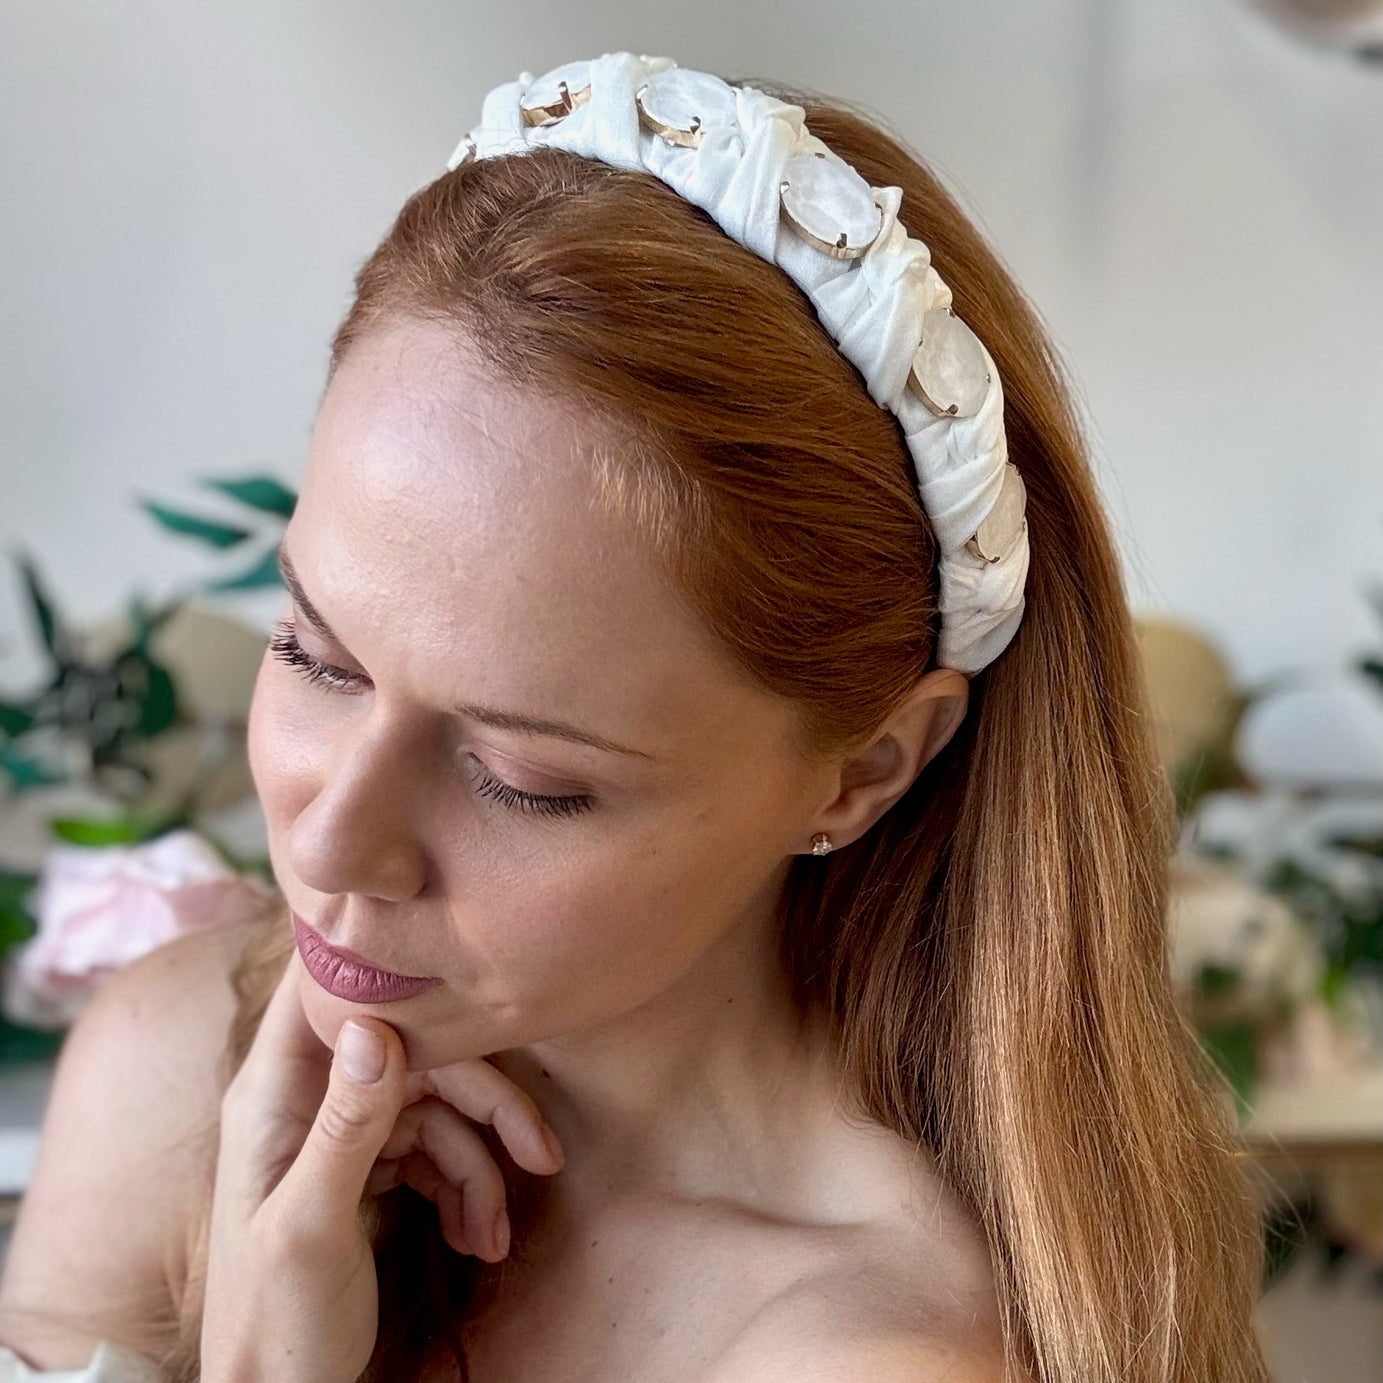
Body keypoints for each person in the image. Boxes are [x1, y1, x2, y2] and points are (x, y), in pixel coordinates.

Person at [0, 53, 1271, 1383]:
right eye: (315, 655)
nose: (330, 849)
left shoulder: (872, 1352)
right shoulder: (174, 1070)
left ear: (865, 771)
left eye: (522, 779)